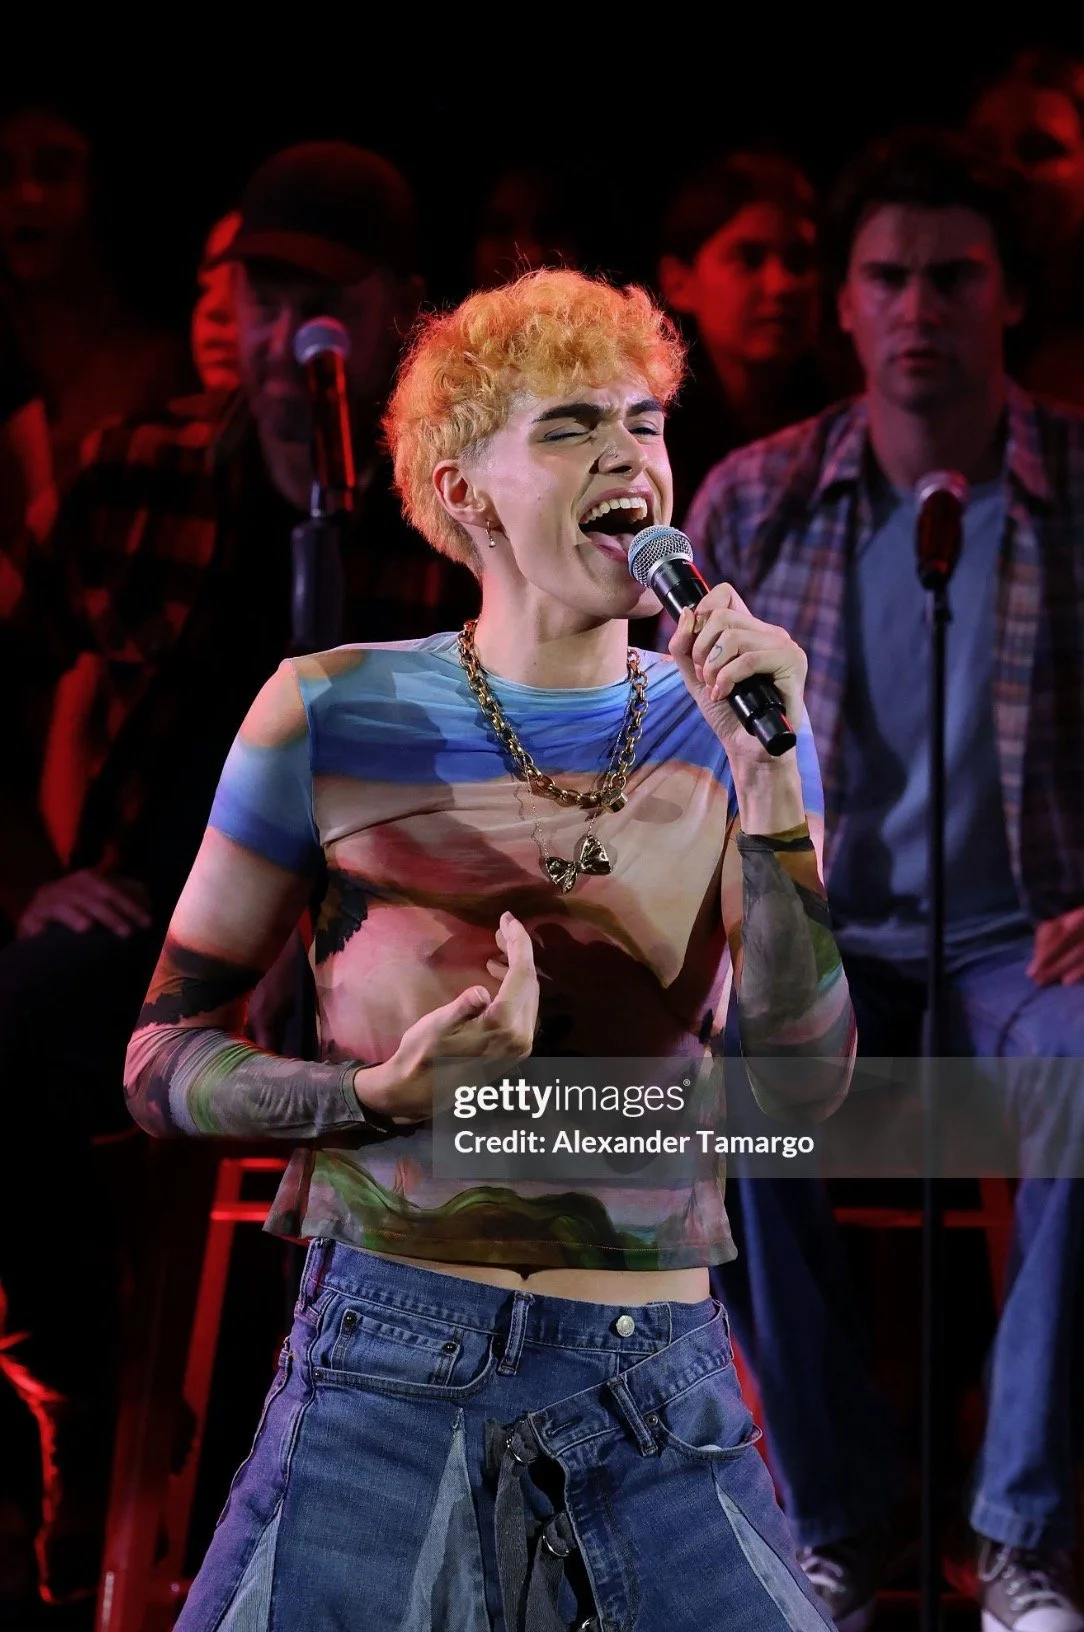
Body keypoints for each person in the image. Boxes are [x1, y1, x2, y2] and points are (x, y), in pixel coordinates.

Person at [123, 266, 855, 1630]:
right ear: (465, 491)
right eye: (571, 426)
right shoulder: (330, 712)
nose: (628, 454)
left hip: (656, 1380)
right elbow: (161, 1061)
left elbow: (803, 1094)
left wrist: (771, 787)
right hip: (390, 1360)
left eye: (644, 421)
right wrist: (375, 1095)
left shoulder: (738, 727)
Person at [0, 139, 478, 1613]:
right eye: (263, 300)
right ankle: (76, 1386)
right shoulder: (141, 470)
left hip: (378, 951)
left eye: (321, 303)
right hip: (160, 928)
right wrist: (32, 873)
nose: (285, 339)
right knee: (18, 1018)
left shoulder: (452, 515)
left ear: (399, 314)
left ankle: (297, 1515)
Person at [687, 128, 1084, 1632]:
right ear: (846, 305)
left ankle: (1024, 1537)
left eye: (954, 277)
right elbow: (658, 753)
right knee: (721, 1080)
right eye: (889, 278)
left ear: (1010, 297)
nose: (920, 308)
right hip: (825, 934)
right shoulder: (756, 498)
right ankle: (835, 1520)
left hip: (1025, 940)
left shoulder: (1078, 483)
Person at [0, 98, 191, 490]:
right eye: (1, 173)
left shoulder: (157, 364)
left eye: (54, 172)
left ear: (99, 185)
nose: (27, 195)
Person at [656, 152, 828, 522]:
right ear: (679, 281)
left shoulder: (845, 425)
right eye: (749, 259)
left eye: (799, 261)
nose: (782, 286)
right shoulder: (647, 432)